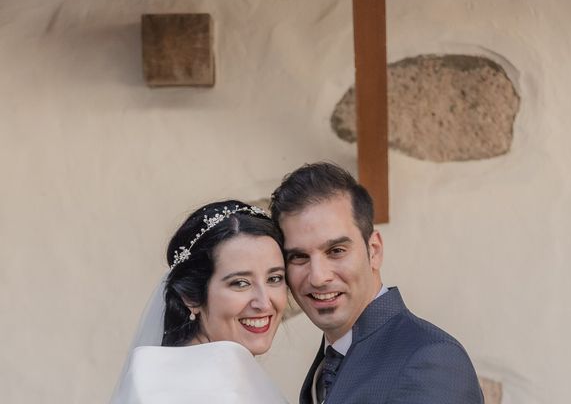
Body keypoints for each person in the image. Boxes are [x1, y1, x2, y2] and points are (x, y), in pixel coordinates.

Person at [270, 163, 484, 404]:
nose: (318, 277)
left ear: (374, 251)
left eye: (336, 250)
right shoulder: (327, 363)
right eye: (299, 257)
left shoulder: (432, 358)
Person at [111, 200, 289, 403]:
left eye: (274, 279)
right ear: (191, 297)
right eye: (240, 283)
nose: (264, 303)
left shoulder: (226, 377)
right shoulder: (195, 391)